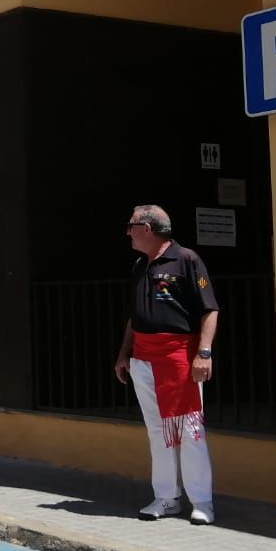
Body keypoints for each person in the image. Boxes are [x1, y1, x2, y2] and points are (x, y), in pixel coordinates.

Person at [113, 204, 220, 525]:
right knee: (157, 430)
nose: (128, 232)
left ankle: (202, 502)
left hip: (178, 357)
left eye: (131, 225)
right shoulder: (139, 267)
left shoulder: (186, 259)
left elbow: (210, 309)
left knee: (189, 430)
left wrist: (204, 352)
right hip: (143, 358)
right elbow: (134, 317)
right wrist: (124, 353)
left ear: (147, 228)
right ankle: (166, 497)